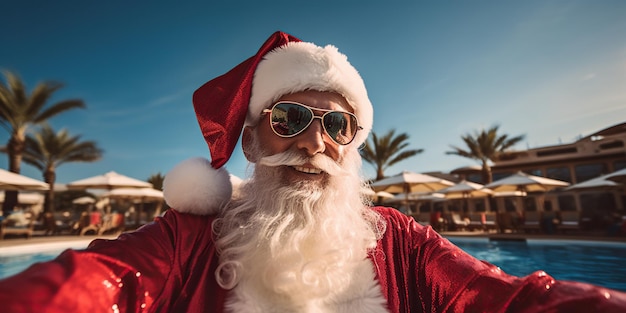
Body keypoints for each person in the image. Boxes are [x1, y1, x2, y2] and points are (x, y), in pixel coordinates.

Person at [1, 31, 625, 312]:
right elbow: (90, 285)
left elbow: (513, 299)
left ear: (351, 144)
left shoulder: (401, 243)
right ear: (249, 138)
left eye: (336, 126)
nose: (313, 142)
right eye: (291, 117)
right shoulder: (187, 240)